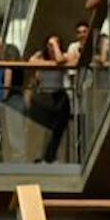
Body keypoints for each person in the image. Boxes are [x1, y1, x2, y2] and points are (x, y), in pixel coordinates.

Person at [30, 34, 71, 163]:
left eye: (56, 44)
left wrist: (55, 46)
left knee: (57, 129)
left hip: (59, 95)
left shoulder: (63, 55)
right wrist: (49, 62)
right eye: (50, 44)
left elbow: (60, 60)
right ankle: (38, 157)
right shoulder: (40, 55)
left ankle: (50, 157)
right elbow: (31, 62)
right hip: (44, 95)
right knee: (42, 129)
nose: (52, 47)